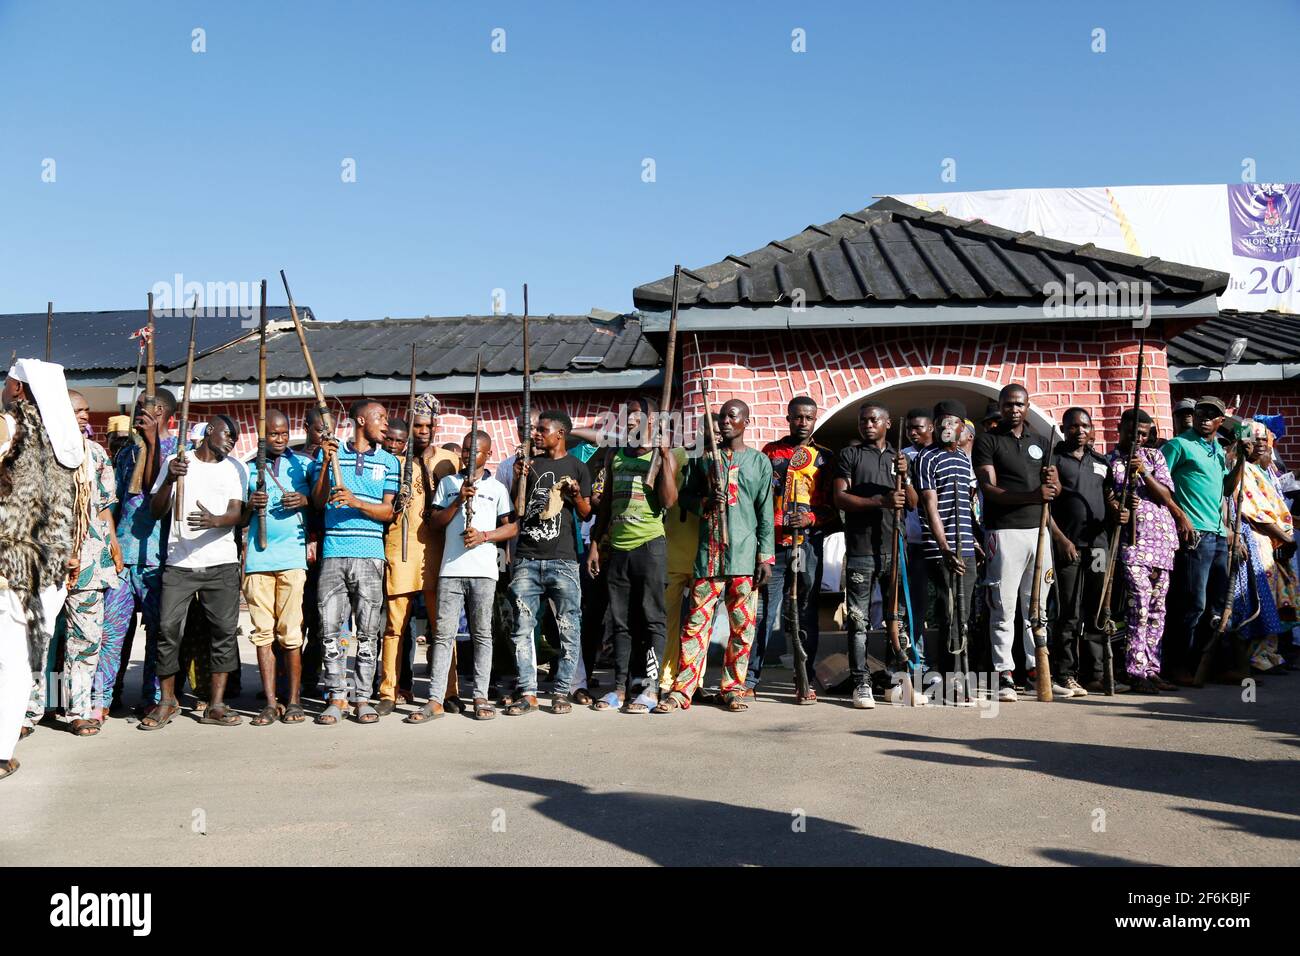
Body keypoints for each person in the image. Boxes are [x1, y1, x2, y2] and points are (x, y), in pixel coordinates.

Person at [655, 399, 774, 714]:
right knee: (695, 626)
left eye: (732, 416)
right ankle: (683, 690)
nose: (724, 421)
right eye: (721, 416)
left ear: (746, 422)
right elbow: (686, 499)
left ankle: (733, 689)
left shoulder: (759, 462)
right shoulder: (704, 459)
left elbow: (765, 511)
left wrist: (766, 557)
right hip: (708, 558)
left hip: (745, 558)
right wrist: (706, 501)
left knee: (742, 627)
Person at [139, 414, 249, 729]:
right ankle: (167, 701)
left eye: (236, 437)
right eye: (228, 433)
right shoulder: (178, 462)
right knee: (168, 631)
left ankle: (215, 704)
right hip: (179, 563)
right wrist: (170, 481)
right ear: (209, 430)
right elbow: (156, 510)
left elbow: (236, 514)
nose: (232, 441)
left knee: (223, 633)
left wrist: (216, 521)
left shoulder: (235, 468)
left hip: (222, 563)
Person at [0, 360, 83, 780]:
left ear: (18, 389)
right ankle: (1, 751)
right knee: (16, 663)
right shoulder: (65, 440)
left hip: (6, 564)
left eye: (7, 382)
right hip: (42, 572)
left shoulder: (7, 427)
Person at [406, 430, 515, 723]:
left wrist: (484, 536)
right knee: (442, 636)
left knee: (482, 635)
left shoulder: (497, 489)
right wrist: (458, 501)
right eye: (464, 450)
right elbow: (435, 523)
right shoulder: (449, 483)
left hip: (483, 572)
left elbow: (512, 527)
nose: (467, 456)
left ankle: (480, 696)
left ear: (487, 455)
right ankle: (435, 699)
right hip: (451, 571)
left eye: (474, 451)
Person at [585, 398, 679, 713]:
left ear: (652, 421)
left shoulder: (663, 456)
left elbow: (667, 501)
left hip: (650, 546)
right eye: (627, 416)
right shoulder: (616, 455)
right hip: (619, 547)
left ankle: (650, 690)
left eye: (636, 416)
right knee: (621, 621)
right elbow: (608, 502)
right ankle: (621, 689)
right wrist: (597, 544)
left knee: (652, 619)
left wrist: (664, 459)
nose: (628, 421)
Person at [310, 400, 400, 725]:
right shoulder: (331, 454)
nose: (386, 424)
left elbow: (388, 512)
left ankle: (362, 698)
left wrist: (356, 501)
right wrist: (324, 463)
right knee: (331, 631)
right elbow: (319, 501)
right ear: (361, 420)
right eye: (382, 417)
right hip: (334, 551)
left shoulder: (389, 462)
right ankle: (335, 697)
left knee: (367, 631)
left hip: (371, 553)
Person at [972, 383, 1059, 703]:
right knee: (1004, 605)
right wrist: (1033, 496)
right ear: (1001, 405)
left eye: (1020, 404)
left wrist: (1052, 485)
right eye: (1008, 404)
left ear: (1027, 406)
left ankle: (1037, 668)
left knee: (1035, 606)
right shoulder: (988, 441)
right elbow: (989, 489)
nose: (1014, 410)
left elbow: (1055, 488)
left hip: (1039, 533)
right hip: (1004, 532)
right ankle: (1004, 672)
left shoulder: (1040, 442)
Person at [42, 391, 121, 736]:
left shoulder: (97, 454)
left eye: (87, 411)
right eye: (77, 411)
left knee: (85, 639)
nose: (85, 416)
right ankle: (36, 708)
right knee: (43, 639)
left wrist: (113, 543)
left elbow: (104, 508)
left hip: (90, 558)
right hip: (47, 561)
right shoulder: (40, 455)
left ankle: (76, 710)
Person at [504, 410, 592, 715]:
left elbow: (585, 513)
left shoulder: (578, 467)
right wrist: (519, 477)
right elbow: (516, 508)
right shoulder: (530, 465)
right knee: (522, 627)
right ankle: (527, 691)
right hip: (527, 557)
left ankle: (561, 691)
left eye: (542, 430)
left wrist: (577, 495)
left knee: (569, 626)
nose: (536, 434)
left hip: (563, 560)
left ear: (560, 433)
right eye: (535, 429)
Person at [97, 387, 177, 717]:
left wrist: (153, 442)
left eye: (144, 407)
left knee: (159, 635)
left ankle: (155, 698)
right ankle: (101, 699)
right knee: (112, 634)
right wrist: (109, 544)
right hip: (123, 555)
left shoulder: (178, 451)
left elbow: (154, 490)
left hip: (160, 558)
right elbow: (112, 504)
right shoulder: (127, 451)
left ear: (161, 413)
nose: (137, 413)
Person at [749, 396, 834, 702]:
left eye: (808, 418)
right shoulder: (771, 452)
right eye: (797, 417)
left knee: (805, 613)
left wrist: (810, 517)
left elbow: (835, 506)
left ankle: (804, 678)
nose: (802, 423)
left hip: (807, 546)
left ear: (815, 420)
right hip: (774, 545)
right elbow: (758, 498)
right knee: (764, 614)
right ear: (788, 418)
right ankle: (750, 678)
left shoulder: (824, 457)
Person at [380, 395, 460, 715]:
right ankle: (389, 689)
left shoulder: (448, 461)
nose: (423, 431)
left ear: (436, 426)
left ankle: (447, 690)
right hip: (400, 550)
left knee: (443, 627)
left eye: (428, 426)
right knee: (394, 626)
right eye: (418, 425)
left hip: (439, 552)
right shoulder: (393, 460)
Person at [834, 403, 909, 709]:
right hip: (862, 550)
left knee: (897, 619)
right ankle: (861, 682)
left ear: (887, 423)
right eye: (863, 420)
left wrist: (905, 476)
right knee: (858, 620)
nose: (868, 424)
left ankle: (893, 679)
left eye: (874, 419)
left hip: (894, 548)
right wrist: (880, 500)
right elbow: (839, 497)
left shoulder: (899, 458)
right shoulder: (850, 455)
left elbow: (912, 501)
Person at [242, 409, 312, 725]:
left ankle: (294, 701)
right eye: (274, 434)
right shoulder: (247, 469)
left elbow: (320, 499)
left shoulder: (303, 465)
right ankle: (270, 703)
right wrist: (250, 506)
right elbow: (238, 515)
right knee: (263, 633)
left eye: (284, 433)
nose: (280, 439)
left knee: (291, 632)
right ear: (263, 435)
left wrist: (304, 501)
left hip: (292, 559)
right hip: (258, 559)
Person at [1161, 396, 1237, 685]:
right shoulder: (1179, 445)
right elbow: (1158, 484)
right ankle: (1178, 665)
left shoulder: (1218, 451)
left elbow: (1228, 489)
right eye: (1201, 412)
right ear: (1193, 415)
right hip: (1195, 535)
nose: (1205, 417)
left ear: (1220, 421)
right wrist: (1180, 515)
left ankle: (1212, 665)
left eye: (1213, 414)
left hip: (1218, 534)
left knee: (1217, 606)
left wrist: (1239, 458)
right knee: (1192, 603)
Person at [1107, 409, 1181, 694]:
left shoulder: (1154, 457)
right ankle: (1134, 669)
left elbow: (1165, 495)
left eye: (1143, 434)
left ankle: (1152, 668)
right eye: (1131, 432)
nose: (1137, 438)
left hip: (1162, 542)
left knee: (1157, 610)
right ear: (1120, 430)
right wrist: (1121, 504)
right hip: (1134, 544)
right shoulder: (1111, 462)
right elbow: (1111, 499)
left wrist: (1144, 472)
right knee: (1138, 606)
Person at [915, 400, 978, 694]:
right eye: (941, 421)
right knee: (948, 611)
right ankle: (947, 677)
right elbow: (930, 506)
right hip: (942, 549)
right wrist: (944, 547)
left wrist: (974, 538)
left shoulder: (965, 459)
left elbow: (966, 506)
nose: (946, 427)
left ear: (962, 428)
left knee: (964, 616)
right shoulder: (926, 458)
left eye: (952, 422)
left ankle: (963, 676)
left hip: (966, 545)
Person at [1047, 407, 1110, 698]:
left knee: (1096, 609)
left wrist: (1119, 512)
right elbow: (1044, 506)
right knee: (1068, 611)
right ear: (1064, 428)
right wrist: (1060, 539)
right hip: (1068, 546)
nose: (1080, 431)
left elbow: (1109, 499)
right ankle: (1065, 674)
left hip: (1098, 546)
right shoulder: (1054, 460)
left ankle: (1096, 674)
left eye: (1085, 426)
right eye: (1074, 426)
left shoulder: (1101, 462)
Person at [1235, 422, 1297, 674]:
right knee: (1263, 600)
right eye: (1254, 439)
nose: (1260, 444)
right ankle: (1258, 658)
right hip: (1259, 540)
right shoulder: (1243, 470)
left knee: (1281, 598)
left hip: (1276, 542)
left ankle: (1272, 654)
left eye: (1264, 440)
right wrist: (1287, 538)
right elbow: (1256, 513)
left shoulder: (1265, 471)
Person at [298, 405, 330, 696]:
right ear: (306, 426)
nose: (324, 435)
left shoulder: (334, 458)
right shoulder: (294, 458)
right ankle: (289, 679)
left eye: (329, 430)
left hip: (324, 545)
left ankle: (310, 676)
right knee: (295, 618)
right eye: (320, 429)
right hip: (295, 546)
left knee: (321, 618)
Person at [902, 407, 935, 672]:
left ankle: (951, 662)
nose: (913, 433)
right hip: (914, 541)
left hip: (944, 541)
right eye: (910, 428)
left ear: (932, 428)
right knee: (916, 605)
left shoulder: (943, 454)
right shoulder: (903, 457)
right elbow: (910, 503)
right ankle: (917, 660)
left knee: (949, 605)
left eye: (919, 428)